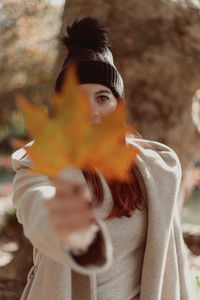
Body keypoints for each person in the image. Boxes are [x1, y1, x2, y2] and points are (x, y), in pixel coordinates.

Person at [11, 16, 193, 300]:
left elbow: (174, 259)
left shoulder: (154, 170)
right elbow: (36, 202)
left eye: (102, 97)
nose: (92, 111)